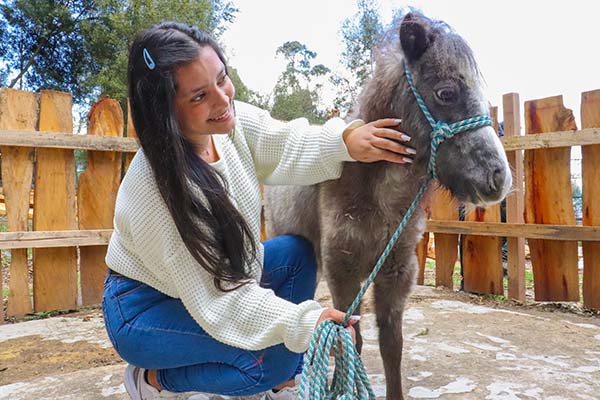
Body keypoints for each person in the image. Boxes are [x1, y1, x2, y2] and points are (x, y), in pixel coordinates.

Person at [102, 21, 415, 400]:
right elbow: (221, 299)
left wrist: (347, 140)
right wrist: (306, 322)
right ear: (164, 110)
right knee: (266, 362)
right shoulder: (158, 189)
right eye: (199, 96)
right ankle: (152, 380)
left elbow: (286, 143)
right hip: (145, 309)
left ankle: (280, 383)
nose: (222, 100)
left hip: (218, 282)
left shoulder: (228, 125)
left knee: (298, 254)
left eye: (222, 78)